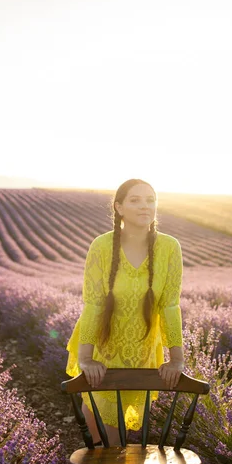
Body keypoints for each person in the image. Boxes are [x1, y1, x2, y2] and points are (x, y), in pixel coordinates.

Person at [66, 178, 185, 446]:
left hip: (141, 349)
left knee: (114, 429)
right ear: (119, 207)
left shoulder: (169, 248)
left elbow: (169, 305)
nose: (145, 206)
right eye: (135, 200)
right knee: (94, 420)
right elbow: (94, 303)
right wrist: (86, 358)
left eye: (150, 200)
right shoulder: (102, 246)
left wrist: (176, 358)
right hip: (99, 344)